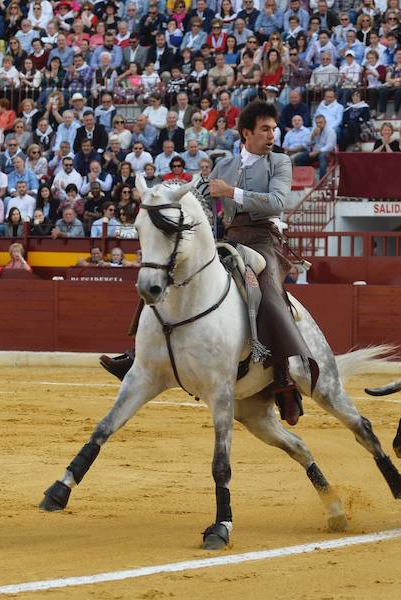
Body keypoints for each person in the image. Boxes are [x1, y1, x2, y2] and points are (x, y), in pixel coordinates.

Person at [102, 101, 311, 427]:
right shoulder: (224, 164)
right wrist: (164, 195)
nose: (272, 134)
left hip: (263, 240)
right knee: (164, 273)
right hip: (229, 238)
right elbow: (197, 196)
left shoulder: (279, 162)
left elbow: (279, 201)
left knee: (268, 293)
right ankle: (136, 357)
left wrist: (233, 192)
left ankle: (283, 377)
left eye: (273, 129)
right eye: (265, 129)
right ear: (247, 133)